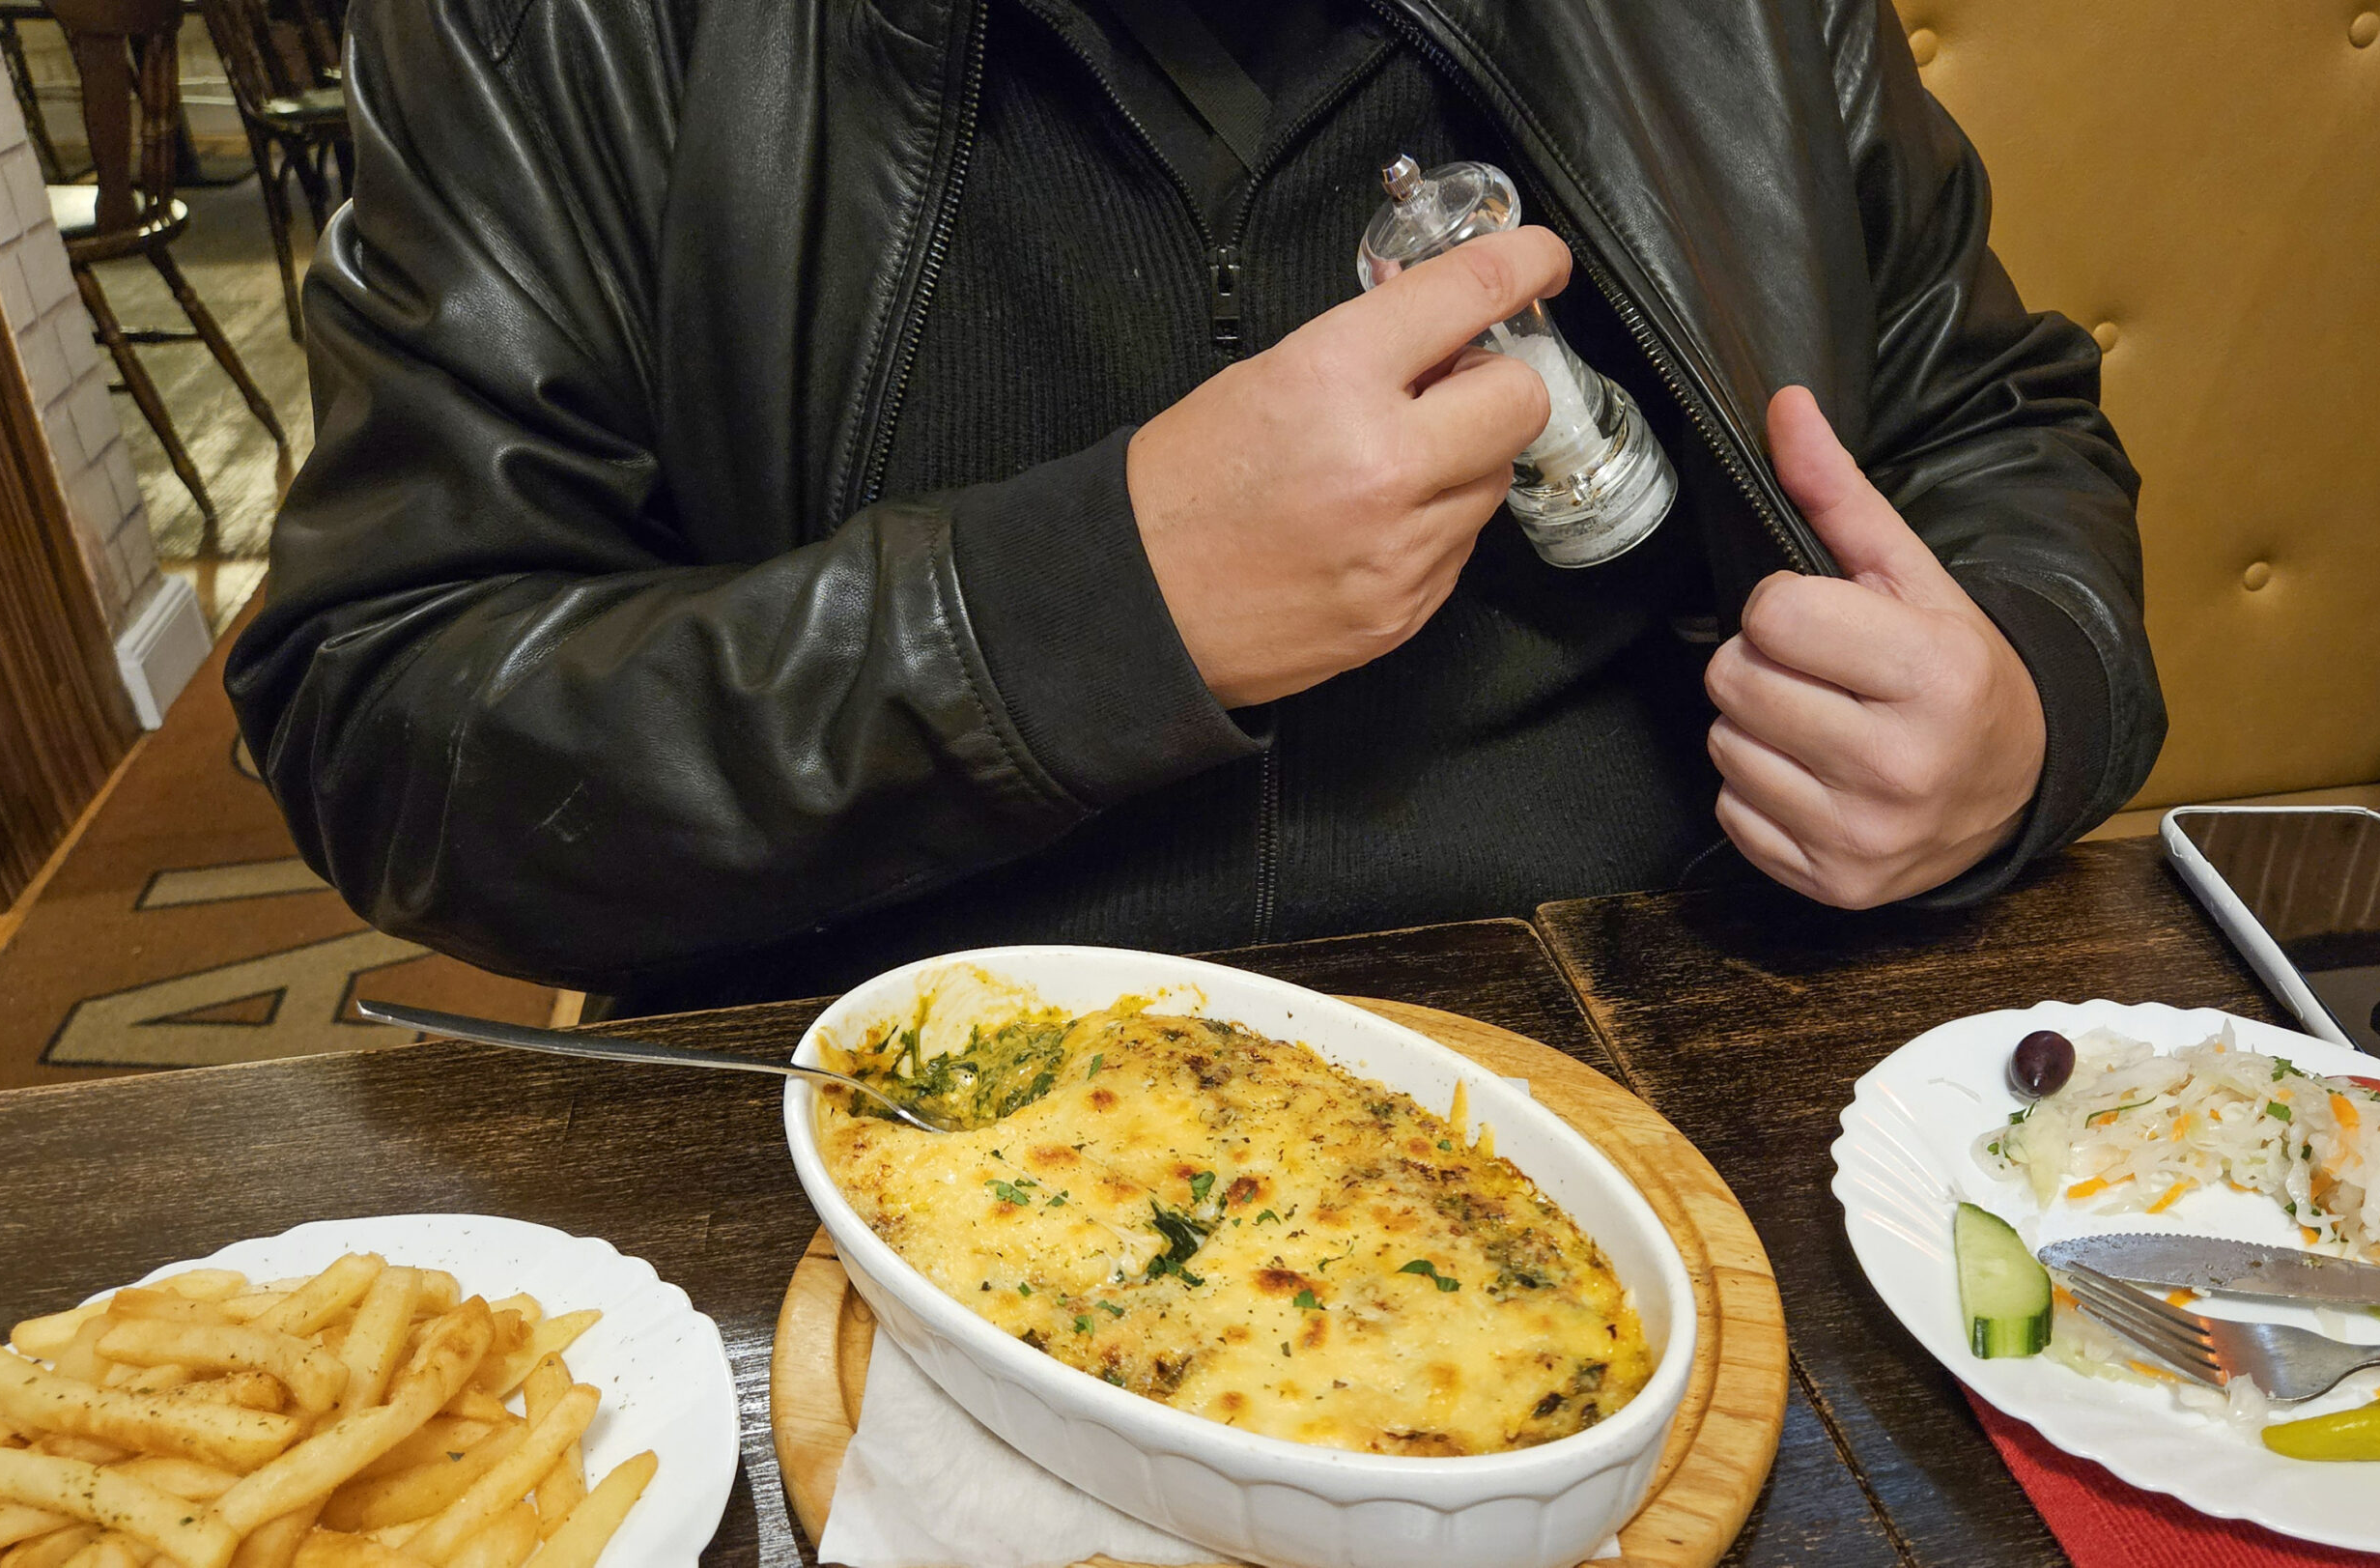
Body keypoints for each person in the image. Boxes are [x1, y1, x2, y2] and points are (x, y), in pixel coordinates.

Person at [227, 0, 2166, 1013]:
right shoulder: (559, 32)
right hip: (877, 1125)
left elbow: (1986, 427)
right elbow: (392, 711)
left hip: (1676, 1055)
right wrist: (1081, 609)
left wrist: (2014, 715)